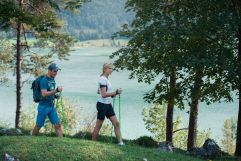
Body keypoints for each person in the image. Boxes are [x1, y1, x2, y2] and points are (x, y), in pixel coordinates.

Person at [92, 62, 124, 145]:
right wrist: (115, 92)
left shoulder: (105, 79)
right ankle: (93, 143)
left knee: (116, 123)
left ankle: (120, 143)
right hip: (102, 105)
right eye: (109, 68)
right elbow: (103, 95)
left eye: (112, 68)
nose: (111, 70)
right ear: (105, 69)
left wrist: (113, 94)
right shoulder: (103, 79)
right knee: (99, 124)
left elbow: (99, 91)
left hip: (108, 104)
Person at [31, 63, 63, 137]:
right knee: (39, 125)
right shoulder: (44, 81)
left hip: (51, 106)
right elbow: (44, 94)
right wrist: (56, 91)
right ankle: (32, 138)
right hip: (43, 107)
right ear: (49, 71)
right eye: (54, 71)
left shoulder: (52, 80)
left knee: (57, 125)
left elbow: (49, 91)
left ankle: (62, 142)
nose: (56, 73)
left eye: (57, 71)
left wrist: (55, 96)